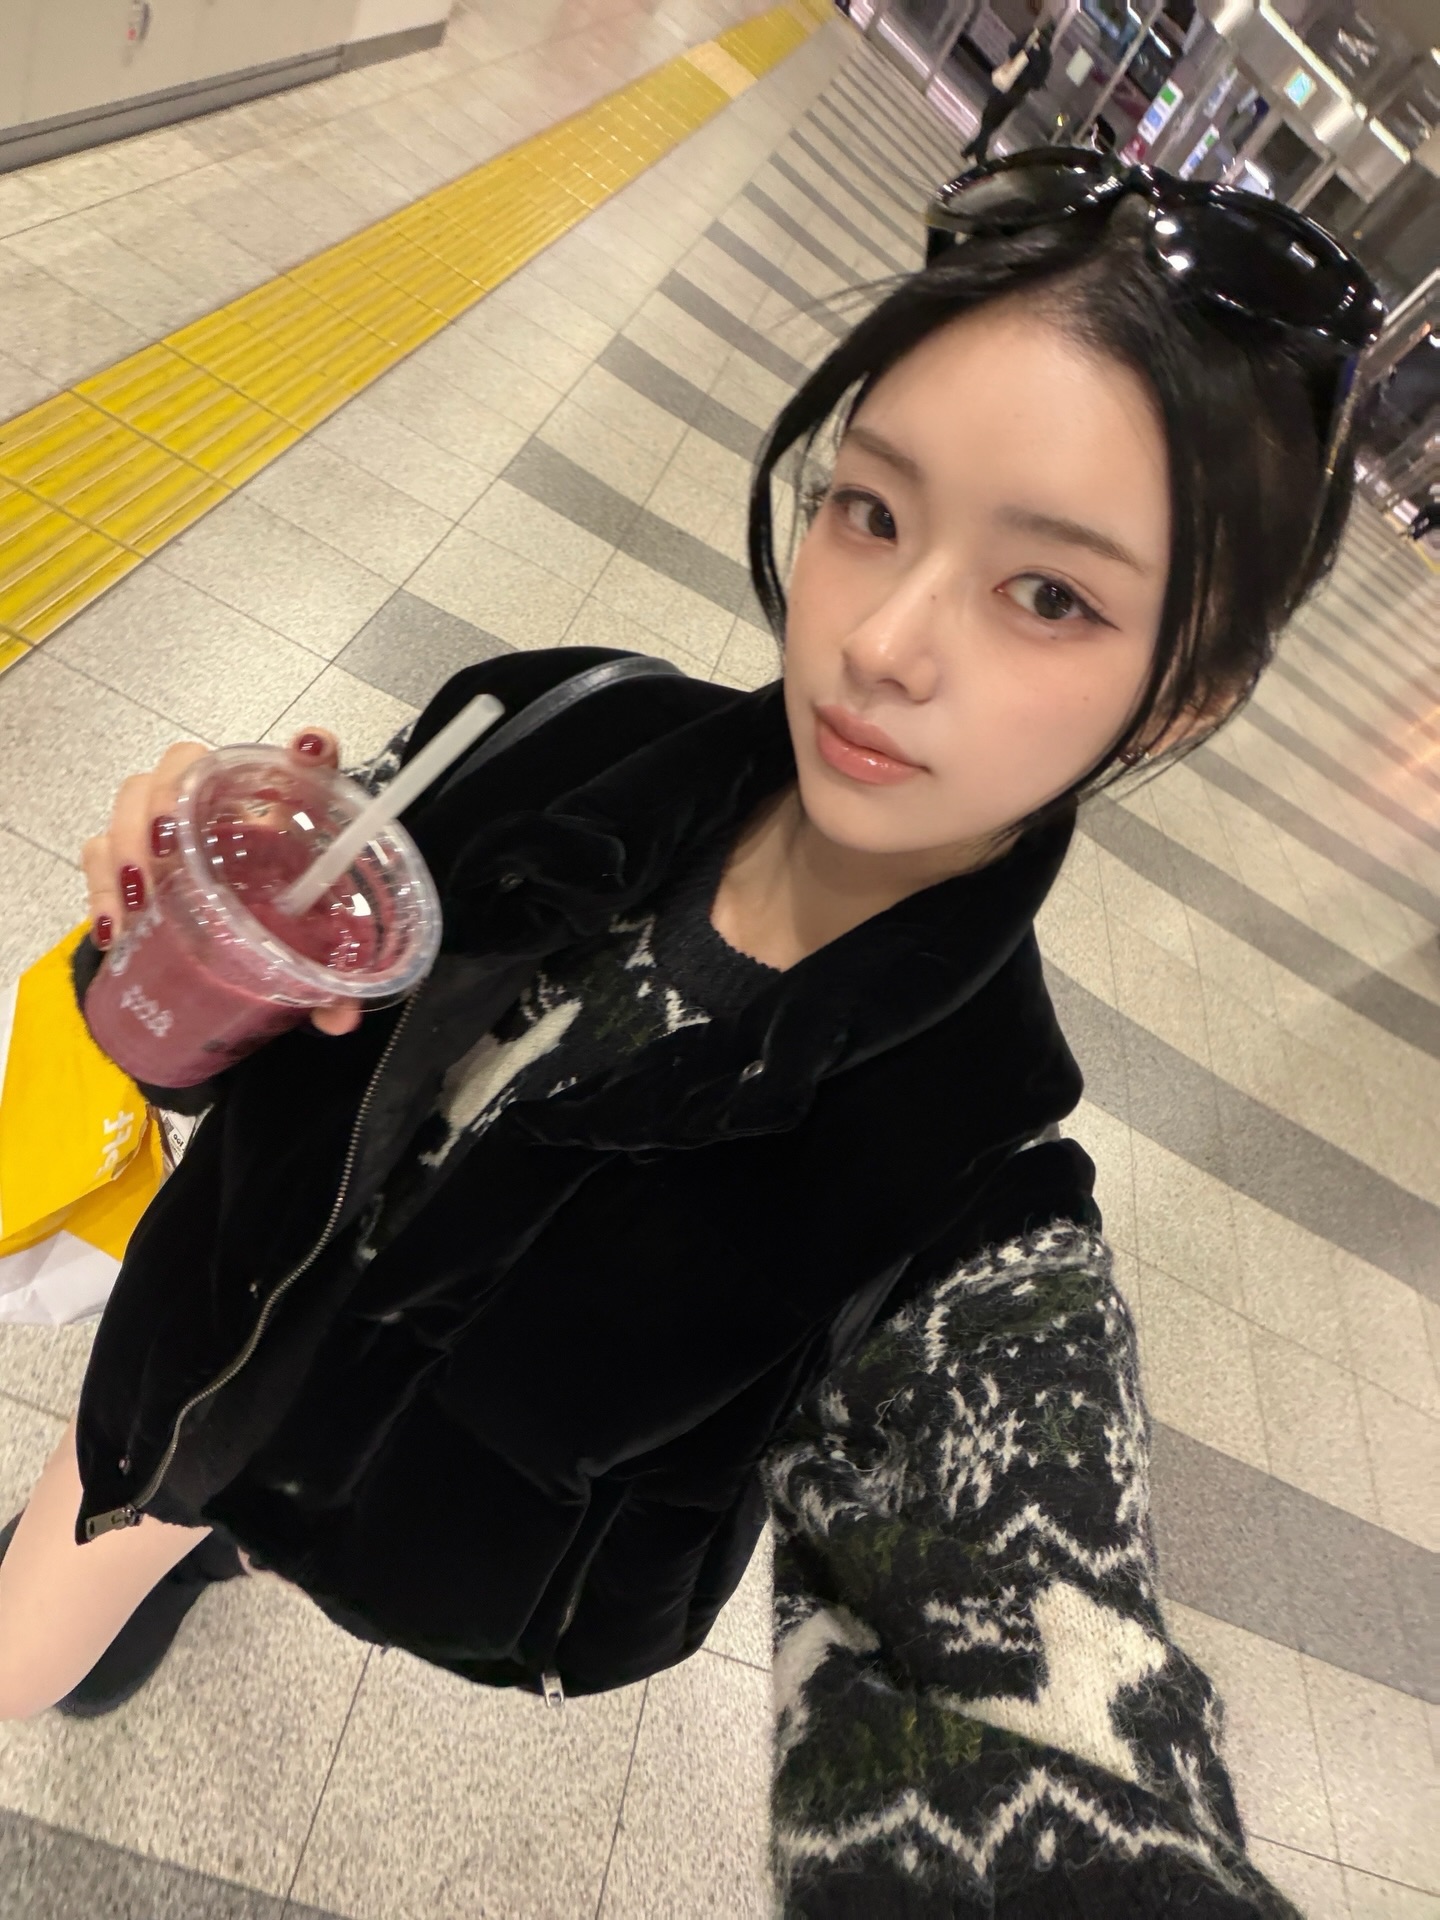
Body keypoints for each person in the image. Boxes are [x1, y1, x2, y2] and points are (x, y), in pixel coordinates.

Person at [0, 149, 1378, 1913]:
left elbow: (1035, 1697)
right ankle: (201, 1524)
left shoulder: (973, 1200)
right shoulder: (552, 728)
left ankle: (253, 1548)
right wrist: (179, 950)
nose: (882, 641)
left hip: (432, 1550)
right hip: (191, 1365)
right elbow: (219, 1055)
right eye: (871, 509)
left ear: (1184, 690)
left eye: (1051, 596)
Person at [961, 18, 1055, 165]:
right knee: (994, 122)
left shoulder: (1029, 39)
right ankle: (970, 150)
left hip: (1005, 84)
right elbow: (1038, 83)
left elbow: (1012, 50)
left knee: (988, 119)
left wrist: (1026, 50)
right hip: (1017, 94)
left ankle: (979, 154)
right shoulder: (1047, 58)